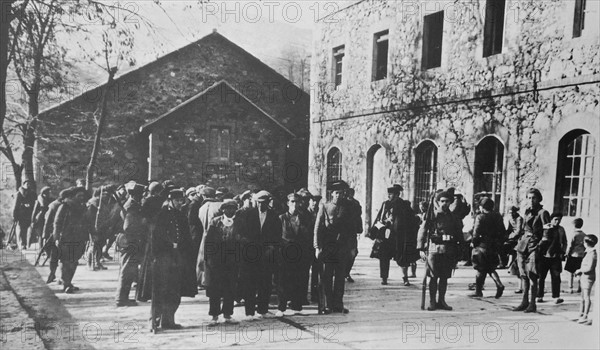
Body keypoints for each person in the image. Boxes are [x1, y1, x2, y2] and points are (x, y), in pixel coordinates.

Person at [150, 188, 195, 332]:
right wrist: (170, 245)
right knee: (161, 289)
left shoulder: (181, 215)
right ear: (170, 200)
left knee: (174, 290)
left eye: (181, 200)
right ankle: (154, 321)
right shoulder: (161, 215)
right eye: (177, 200)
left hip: (178, 257)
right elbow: (156, 236)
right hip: (164, 257)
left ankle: (169, 320)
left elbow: (186, 237)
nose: (180, 203)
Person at [236, 190, 282, 320]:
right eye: (259, 203)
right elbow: (239, 233)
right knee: (249, 283)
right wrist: (247, 244)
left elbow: (277, 235)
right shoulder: (247, 214)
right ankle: (249, 312)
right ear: (256, 202)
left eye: (264, 203)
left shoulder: (274, 216)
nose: (261, 206)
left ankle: (263, 310)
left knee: (265, 283)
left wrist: (272, 248)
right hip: (250, 255)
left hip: (266, 255)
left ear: (268, 203)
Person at [417, 188, 464, 311]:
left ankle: (441, 300)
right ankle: (432, 301)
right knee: (433, 277)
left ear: (450, 203)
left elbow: (459, 233)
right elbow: (422, 231)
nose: (445, 203)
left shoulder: (454, 217)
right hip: (434, 250)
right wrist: (421, 248)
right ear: (438, 202)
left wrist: (460, 250)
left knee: (444, 277)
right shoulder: (432, 216)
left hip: (449, 250)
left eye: (447, 201)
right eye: (442, 201)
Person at [314, 181, 354, 314]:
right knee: (327, 276)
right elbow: (318, 228)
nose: (339, 195)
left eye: (341, 193)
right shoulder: (325, 207)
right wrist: (317, 246)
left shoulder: (348, 208)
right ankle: (327, 305)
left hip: (342, 248)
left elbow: (351, 229)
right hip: (328, 247)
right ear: (332, 194)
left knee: (340, 277)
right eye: (337, 193)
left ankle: (338, 304)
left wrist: (352, 247)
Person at [276, 193, 313, 317]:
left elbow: (309, 235)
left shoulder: (305, 217)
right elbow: (276, 236)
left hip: (300, 253)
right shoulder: (281, 218)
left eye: (297, 202)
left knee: (299, 279)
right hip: (285, 253)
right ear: (287, 203)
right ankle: (281, 308)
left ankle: (297, 306)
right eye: (292, 201)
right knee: (283, 281)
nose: (295, 204)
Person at [204, 199, 240, 326]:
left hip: (232, 261)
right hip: (216, 261)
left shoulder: (238, 223)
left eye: (233, 208)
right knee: (215, 289)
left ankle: (227, 314)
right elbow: (208, 241)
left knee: (230, 288)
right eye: (227, 208)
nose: (230, 211)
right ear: (223, 209)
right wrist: (208, 259)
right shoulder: (215, 222)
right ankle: (214, 315)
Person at [513, 188, 550, 313]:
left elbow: (547, 233)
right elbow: (524, 229)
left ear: (539, 199)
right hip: (523, 245)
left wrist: (539, 247)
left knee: (533, 275)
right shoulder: (527, 212)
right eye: (529, 198)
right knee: (523, 275)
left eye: (534, 198)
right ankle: (524, 301)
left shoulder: (543, 213)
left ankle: (532, 303)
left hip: (535, 246)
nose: (531, 200)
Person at [53, 187, 90, 293]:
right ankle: (66, 284)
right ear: (74, 196)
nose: (81, 198)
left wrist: (92, 233)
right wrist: (56, 237)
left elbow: (88, 221)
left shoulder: (83, 207)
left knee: (74, 261)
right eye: (79, 196)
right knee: (66, 261)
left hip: (79, 237)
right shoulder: (65, 206)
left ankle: (68, 282)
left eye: (83, 196)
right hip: (66, 237)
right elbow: (57, 222)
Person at [115, 182, 147, 307]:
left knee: (129, 269)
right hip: (131, 242)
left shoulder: (132, 205)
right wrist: (142, 224)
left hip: (131, 241)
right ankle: (121, 299)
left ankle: (123, 297)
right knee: (127, 270)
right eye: (140, 194)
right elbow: (128, 227)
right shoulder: (131, 207)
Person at [470, 197, 505, 298]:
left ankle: (478, 291)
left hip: (482, 245)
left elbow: (476, 232)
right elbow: (502, 231)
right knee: (490, 268)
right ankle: (499, 284)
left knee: (480, 268)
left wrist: (473, 242)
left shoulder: (480, 217)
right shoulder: (498, 216)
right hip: (493, 246)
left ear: (482, 207)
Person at [136, 181, 164, 302]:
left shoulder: (146, 200)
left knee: (147, 264)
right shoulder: (159, 201)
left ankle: (143, 293)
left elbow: (143, 218)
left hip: (149, 234)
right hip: (156, 234)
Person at [537, 212, 567, 304]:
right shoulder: (545, 228)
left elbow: (565, 242)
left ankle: (556, 297)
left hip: (556, 257)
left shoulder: (561, 229)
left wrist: (563, 252)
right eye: (555, 219)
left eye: (559, 220)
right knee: (541, 277)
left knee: (556, 277)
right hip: (544, 256)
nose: (557, 222)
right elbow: (539, 241)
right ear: (551, 219)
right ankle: (539, 296)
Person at [42, 188, 70, 284]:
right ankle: (52, 273)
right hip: (53, 233)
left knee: (61, 256)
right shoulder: (54, 205)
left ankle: (61, 278)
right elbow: (47, 221)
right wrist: (44, 235)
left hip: (64, 234)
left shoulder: (68, 206)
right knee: (54, 255)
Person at [197, 187, 223, 288]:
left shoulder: (202, 208)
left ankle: (204, 281)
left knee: (204, 260)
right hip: (217, 236)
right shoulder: (219, 206)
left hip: (204, 235)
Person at [574, 234, 597, 326]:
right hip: (585, 277)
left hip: (588, 277)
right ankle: (581, 313)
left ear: (586, 243)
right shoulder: (589, 252)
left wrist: (580, 270)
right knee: (583, 297)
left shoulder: (592, 254)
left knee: (586, 297)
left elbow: (590, 268)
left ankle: (585, 315)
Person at [345, 188, 363, 283]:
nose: (350, 195)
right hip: (343, 232)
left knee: (353, 253)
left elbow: (359, 216)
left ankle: (347, 272)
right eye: (349, 194)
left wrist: (359, 229)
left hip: (352, 232)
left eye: (352, 194)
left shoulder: (356, 203)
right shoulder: (342, 203)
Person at [505, 206, 524, 293]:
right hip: (512, 238)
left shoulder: (519, 218)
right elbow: (509, 229)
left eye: (512, 212)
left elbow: (519, 231)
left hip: (520, 238)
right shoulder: (510, 219)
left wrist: (510, 237)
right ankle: (509, 264)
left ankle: (510, 265)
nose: (511, 214)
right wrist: (505, 236)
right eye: (509, 213)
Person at [12, 179, 36, 250]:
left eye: (30, 184)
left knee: (28, 230)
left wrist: (30, 206)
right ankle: (22, 244)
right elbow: (15, 206)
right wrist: (14, 216)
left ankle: (27, 243)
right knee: (22, 230)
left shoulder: (32, 194)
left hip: (30, 215)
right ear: (23, 184)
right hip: (21, 215)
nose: (28, 185)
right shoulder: (19, 194)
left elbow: (34, 203)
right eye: (27, 184)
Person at [565, 218, 587, 293]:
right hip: (581, 255)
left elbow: (570, 245)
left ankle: (570, 288)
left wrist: (567, 253)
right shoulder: (584, 234)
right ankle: (579, 287)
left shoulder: (573, 234)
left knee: (570, 272)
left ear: (574, 225)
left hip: (573, 254)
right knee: (579, 272)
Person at [308, 194, 323, 304]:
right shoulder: (305, 212)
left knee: (316, 271)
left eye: (317, 201)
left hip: (316, 246)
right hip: (306, 246)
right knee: (303, 271)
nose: (315, 203)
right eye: (313, 201)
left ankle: (315, 295)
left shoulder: (320, 212)